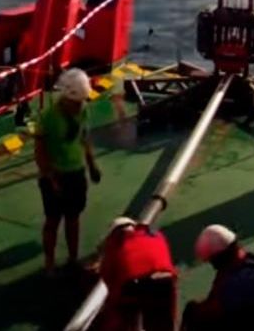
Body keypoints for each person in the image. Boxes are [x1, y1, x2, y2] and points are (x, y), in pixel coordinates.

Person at [34, 68, 102, 275]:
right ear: (65, 98)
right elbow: (40, 152)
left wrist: (91, 165)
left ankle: (73, 258)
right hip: (55, 176)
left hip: (76, 173)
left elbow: (84, 138)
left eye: (82, 101)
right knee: (52, 221)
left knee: (73, 218)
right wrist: (50, 177)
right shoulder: (48, 118)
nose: (79, 106)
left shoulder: (83, 110)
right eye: (76, 102)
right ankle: (49, 263)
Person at [181, 224, 254, 331]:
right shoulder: (250, 262)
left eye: (212, 260)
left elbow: (216, 312)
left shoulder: (239, 282)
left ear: (219, 257)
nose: (213, 266)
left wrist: (195, 311)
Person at [98, 217, 178, 331]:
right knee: (164, 324)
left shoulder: (115, 244)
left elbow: (110, 280)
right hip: (166, 280)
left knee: (122, 314)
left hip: (138, 284)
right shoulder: (157, 235)